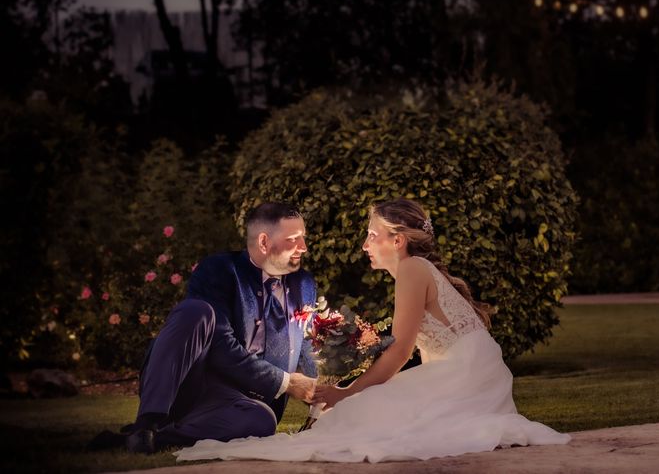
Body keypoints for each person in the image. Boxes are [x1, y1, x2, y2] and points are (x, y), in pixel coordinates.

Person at [176, 198, 570, 463]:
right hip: (474, 370)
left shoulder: (413, 269)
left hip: (465, 373)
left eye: (371, 235)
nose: (365, 243)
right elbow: (400, 349)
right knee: (365, 410)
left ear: (397, 241)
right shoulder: (415, 270)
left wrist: (348, 392)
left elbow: (398, 355)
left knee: (361, 414)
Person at [89, 202, 319, 453]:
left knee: (262, 421)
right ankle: (148, 422)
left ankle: (147, 439)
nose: (303, 248)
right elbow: (221, 346)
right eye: (293, 239)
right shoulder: (219, 270)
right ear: (264, 242)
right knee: (196, 311)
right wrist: (286, 382)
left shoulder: (304, 284)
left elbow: (308, 343)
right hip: (192, 383)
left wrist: (323, 389)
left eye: (303, 238)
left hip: (240, 403)